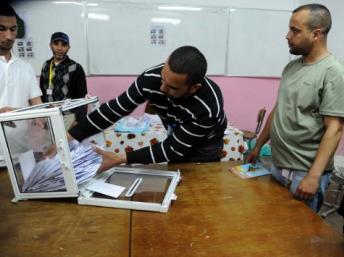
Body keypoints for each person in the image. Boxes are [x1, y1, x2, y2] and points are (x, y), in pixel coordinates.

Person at [247, 4, 344, 213]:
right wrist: (258, 146)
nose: (287, 35)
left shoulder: (333, 72)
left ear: (316, 34)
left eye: (295, 30)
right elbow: (279, 109)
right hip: (278, 164)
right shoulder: (292, 66)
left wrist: (314, 176)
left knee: (300, 240)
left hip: (304, 172)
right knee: (275, 225)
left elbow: (335, 129)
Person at [68, 45, 227, 169]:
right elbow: (116, 108)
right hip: (176, 134)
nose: (162, 88)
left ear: (193, 87)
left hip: (205, 147)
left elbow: (173, 149)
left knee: (198, 184)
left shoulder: (208, 108)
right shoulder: (151, 77)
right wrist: (72, 135)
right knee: (175, 170)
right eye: (163, 78)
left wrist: (120, 158)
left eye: (172, 87)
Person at [0, 3, 42, 167]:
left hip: (23, 156)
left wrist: (40, 117)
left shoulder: (26, 68)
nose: (9, 36)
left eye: (13, 29)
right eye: (1, 29)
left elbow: (38, 108)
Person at [39, 32, 87, 121]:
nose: (59, 48)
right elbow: (41, 92)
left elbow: (82, 98)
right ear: (50, 45)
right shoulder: (45, 65)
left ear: (68, 47)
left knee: (65, 136)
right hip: (48, 115)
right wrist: (41, 114)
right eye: (56, 44)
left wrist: (79, 121)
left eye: (64, 45)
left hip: (68, 116)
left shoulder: (76, 68)